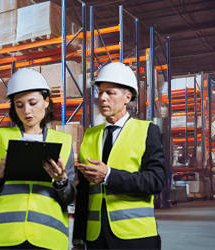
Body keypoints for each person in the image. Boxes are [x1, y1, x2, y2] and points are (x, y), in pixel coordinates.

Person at [0, 68, 77, 250]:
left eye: (32, 103)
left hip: (47, 238)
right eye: (19, 105)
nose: (27, 111)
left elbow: (69, 197)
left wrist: (61, 181)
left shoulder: (63, 141)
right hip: (1, 237)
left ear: (46, 101)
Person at [72, 62, 166, 249]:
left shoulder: (147, 131)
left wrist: (108, 175)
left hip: (136, 236)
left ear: (127, 97)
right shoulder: (90, 135)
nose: (103, 98)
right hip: (95, 237)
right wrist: (78, 239)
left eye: (110, 93)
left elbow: (156, 181)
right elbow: (84, 192)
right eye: (100, 92)